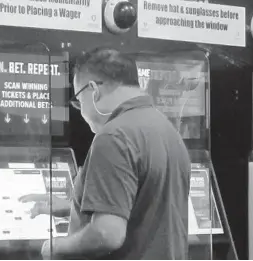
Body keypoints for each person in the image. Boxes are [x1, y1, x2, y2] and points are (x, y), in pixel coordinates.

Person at [19, 47, 191, 259]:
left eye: (79, 101)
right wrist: (75, 207)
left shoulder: (113, 136)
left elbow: (108, 233)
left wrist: (55, 248)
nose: (81, 111)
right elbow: (144, 209)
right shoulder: (165, 129)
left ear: (93, 90)